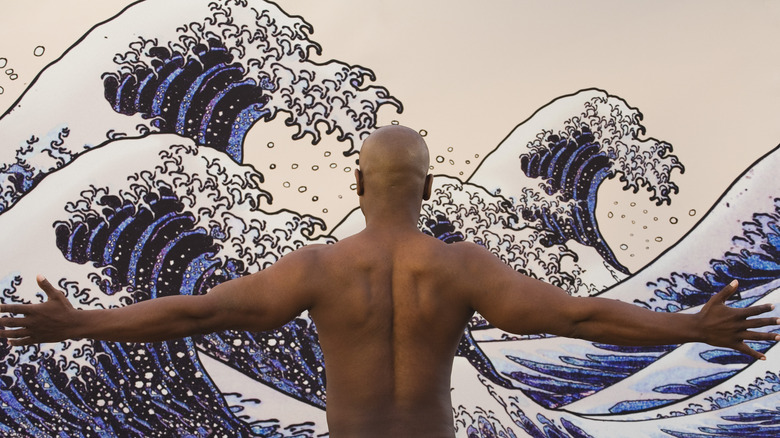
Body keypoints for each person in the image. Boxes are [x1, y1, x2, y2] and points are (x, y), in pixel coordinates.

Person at [0, 125, 778, 437]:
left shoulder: (319, 270)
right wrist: (687, 328)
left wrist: (83, 324)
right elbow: (574, 319)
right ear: (430, 188)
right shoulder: (462, 268)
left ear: (356, 182)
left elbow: (199, 314)